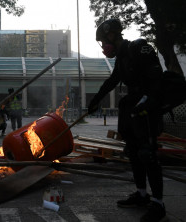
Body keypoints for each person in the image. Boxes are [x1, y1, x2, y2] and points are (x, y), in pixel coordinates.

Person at [88, 19, 166, 222]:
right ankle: (142, 194)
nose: (103, 47)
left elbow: (157, 79)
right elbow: (113, 80)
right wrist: (96, 99)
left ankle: (158, 204)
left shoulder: (139, 48)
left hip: (146, 108)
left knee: (147, 153)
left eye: (104, 41)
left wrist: (148, 102)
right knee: (133, 152)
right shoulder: (122, 57)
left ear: (113, 35)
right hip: (131, 106)